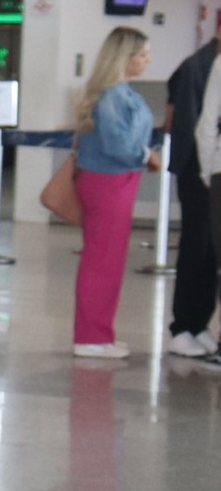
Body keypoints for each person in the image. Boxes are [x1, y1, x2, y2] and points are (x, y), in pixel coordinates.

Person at [71, 27, 158, 360]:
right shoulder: (111, 96)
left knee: (110, 259)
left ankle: (100, 333)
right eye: (143, 55)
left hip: (118, 181)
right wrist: (146, 155)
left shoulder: (121, 94)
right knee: (101, 260)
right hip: (108, 182)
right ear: (125, 57)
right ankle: (90, 336)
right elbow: (118, 144)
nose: (148, 61)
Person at [163, 23, 220, 356]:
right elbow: (190, 122)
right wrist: (203, 171)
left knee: (211, 251)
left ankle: (200, 323)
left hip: (210, 169)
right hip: (198, 171)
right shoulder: (198, 65)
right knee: (196, 247)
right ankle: (182, 325)